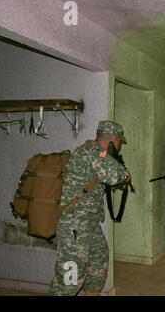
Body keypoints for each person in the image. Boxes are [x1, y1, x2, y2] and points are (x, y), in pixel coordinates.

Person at [49, 120, 131, 296]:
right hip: (75, 223)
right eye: (119, 142)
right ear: (114, 141)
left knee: (98, 259)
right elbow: (117, 175)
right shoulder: (93, 152)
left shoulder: (97, 154)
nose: (119, 146)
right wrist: (124, 173)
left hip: (88, 222)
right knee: (71, 275)